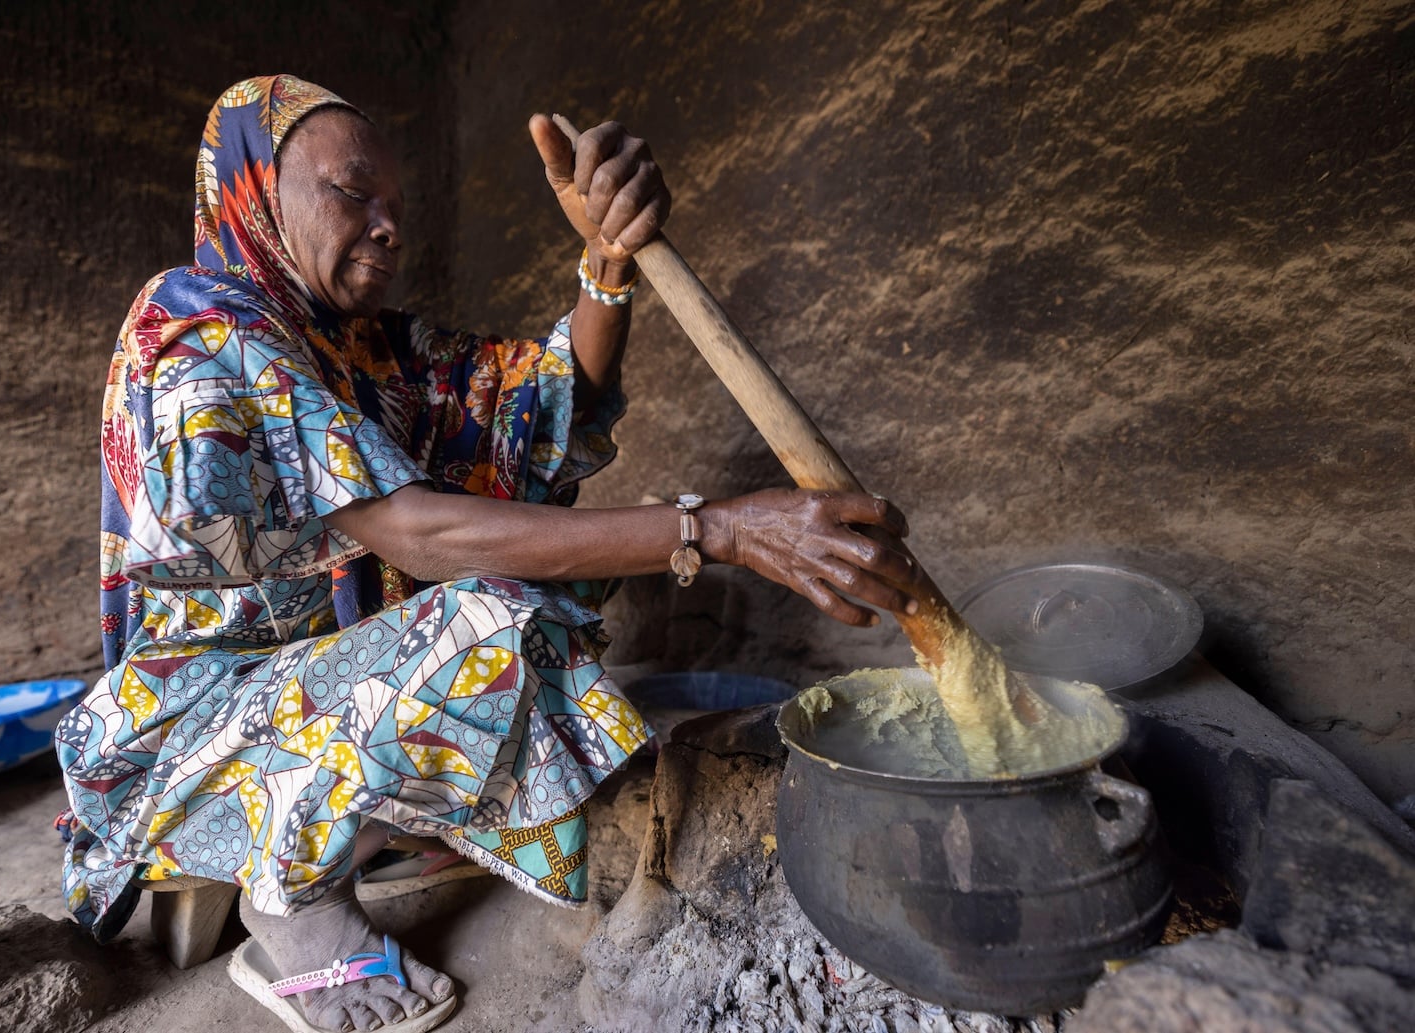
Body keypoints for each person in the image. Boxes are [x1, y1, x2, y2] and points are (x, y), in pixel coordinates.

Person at [57, 74, 920, 1033]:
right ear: (257, 188)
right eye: (354, 193)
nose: (387, 225)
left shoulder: (359, 349)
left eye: (395, 205)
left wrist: (605, 261)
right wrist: (713, 529)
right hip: (196, 735)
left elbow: (542, 404)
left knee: (547, 586)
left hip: (311, 697)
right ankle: (288, 904)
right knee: (495, 619)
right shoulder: (199, 327)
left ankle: (355, 823)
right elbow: (423, 533)